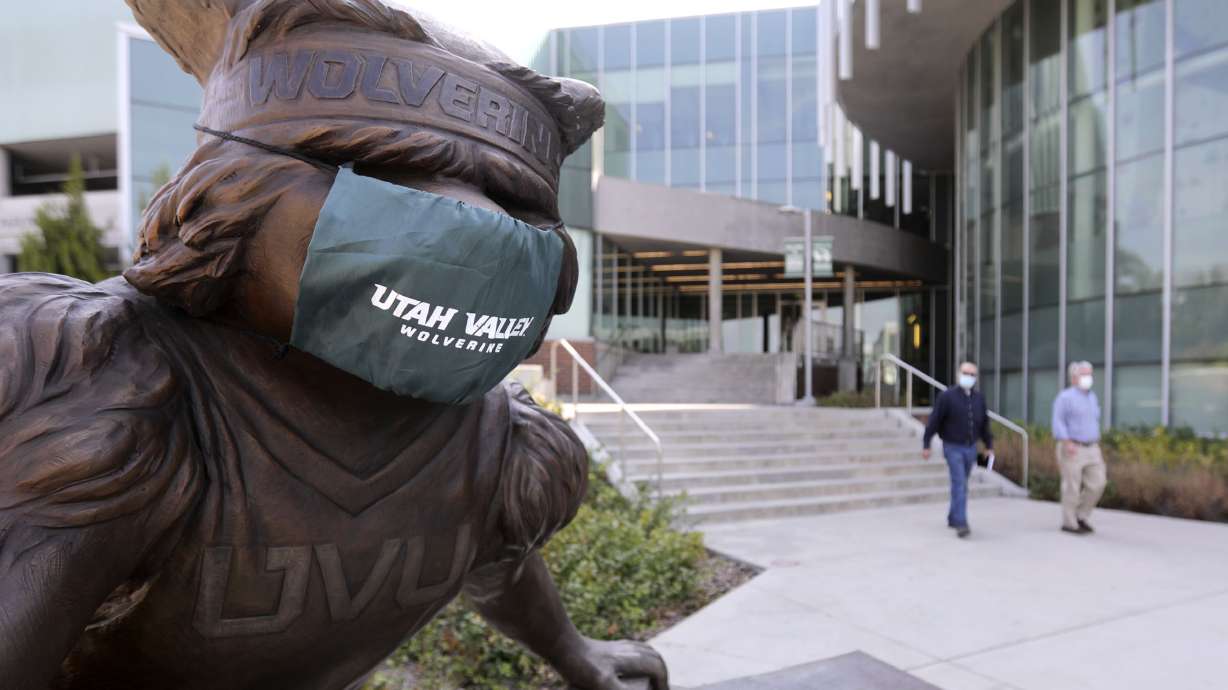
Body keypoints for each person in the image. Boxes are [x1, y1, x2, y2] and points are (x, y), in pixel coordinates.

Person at [923, 362, 993, 538]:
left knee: (962, 484)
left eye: (972, 375)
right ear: (958, 374)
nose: (968, 377)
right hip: (952, 446)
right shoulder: (947, 397)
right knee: (959, 482)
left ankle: (953, 516)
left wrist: (988, 445)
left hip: (971, 447)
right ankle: (961, 523)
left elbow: (984, 424)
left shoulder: (979, 399)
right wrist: (926, 443)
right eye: (965, 373)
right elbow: (934, 421)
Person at [1052, 361, 1107, 535]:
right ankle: (1069, 522)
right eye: (1084, 374)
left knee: (1098, 483)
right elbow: (1058, 421)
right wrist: (1066, 442)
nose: (1088, 378)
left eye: (1090, 374)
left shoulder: (1092, 397)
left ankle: (1081, 515)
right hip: (1072, 446)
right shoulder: (1065, 397)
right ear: (1074, 378)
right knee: (1072, 487)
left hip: (1092, 447)